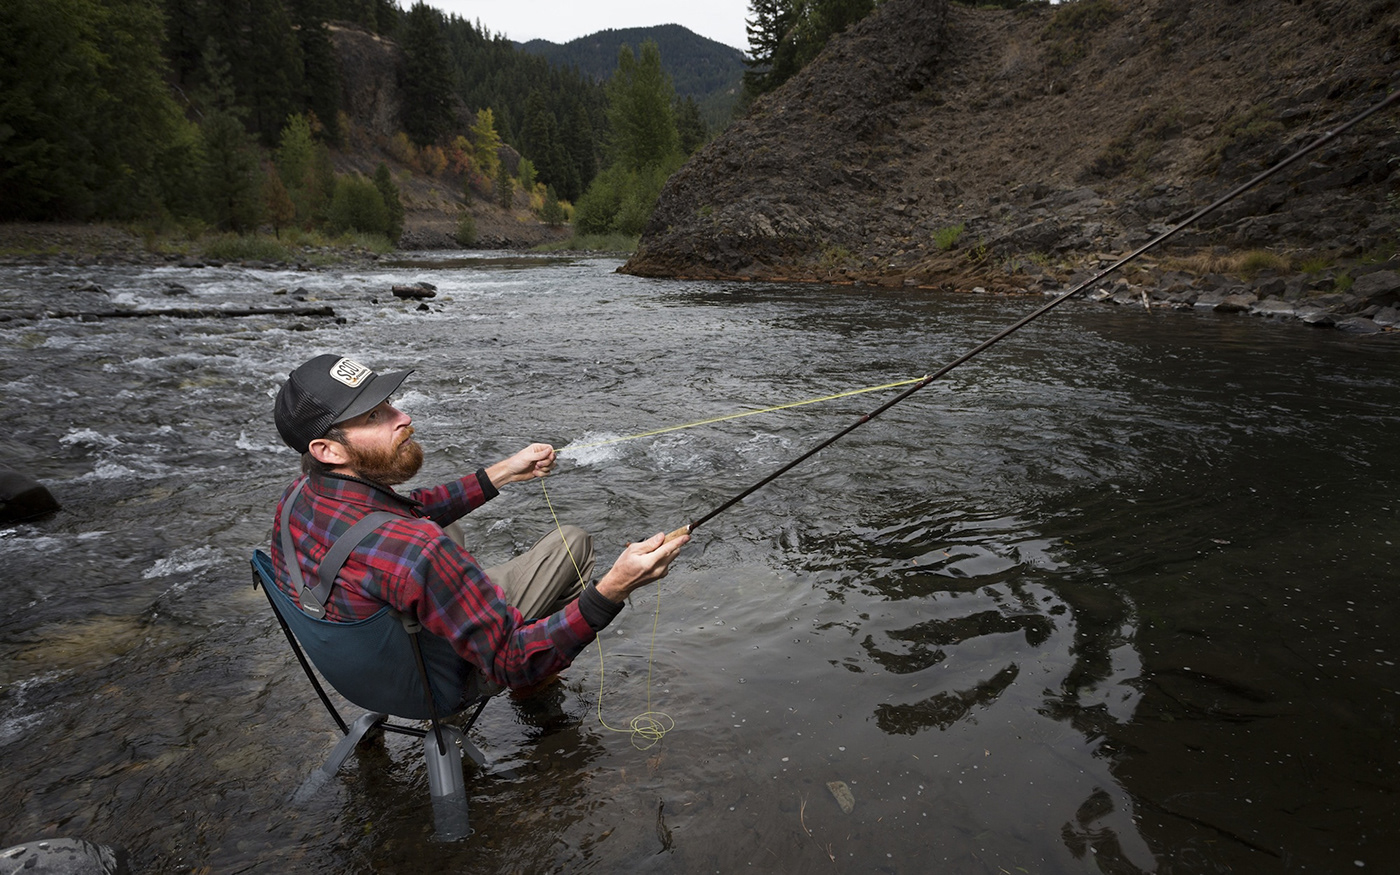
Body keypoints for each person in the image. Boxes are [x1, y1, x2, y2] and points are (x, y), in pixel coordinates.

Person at [269, 353, 687, 706]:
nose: (404, 416)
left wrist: (503, 472)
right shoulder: (417, 549)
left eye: (391, 402)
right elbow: (511, 659)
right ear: (328, 450)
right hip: (433, 687)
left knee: (449, 537)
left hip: (363, 680)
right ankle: (534, 692)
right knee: (571, 543)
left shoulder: (300, 495)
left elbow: (410, 509)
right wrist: (614, 589)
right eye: (377, 415)